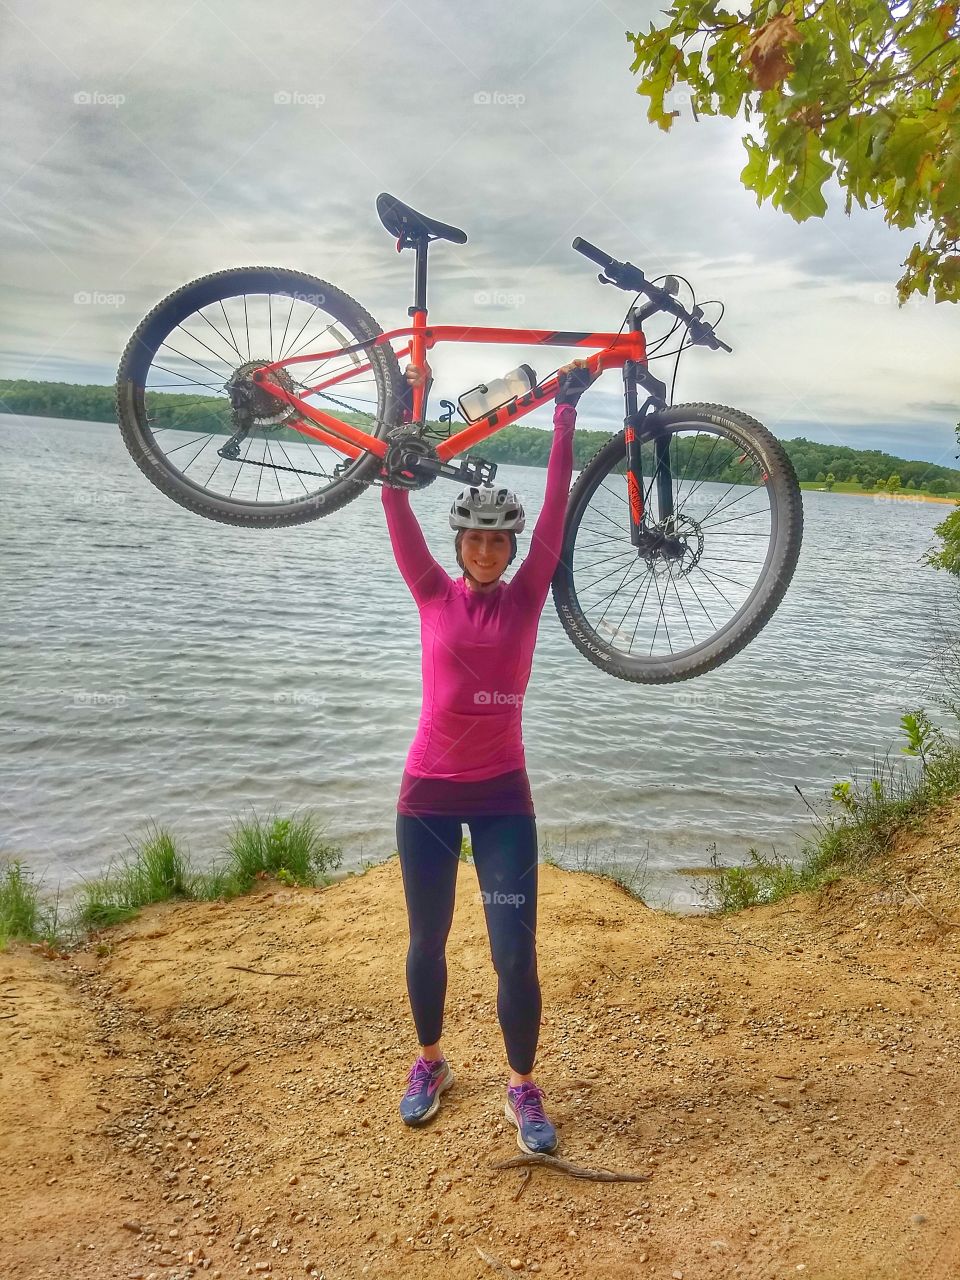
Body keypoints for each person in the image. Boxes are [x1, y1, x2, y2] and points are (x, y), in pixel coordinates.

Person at [380, 357, 596, 1155]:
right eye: (473, 538)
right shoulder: (431, 591)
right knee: (426, 939)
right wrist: (407, 399)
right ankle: (430, 1063)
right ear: (460, 542)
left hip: (505, 799)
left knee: (513, 950)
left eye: (495, 541)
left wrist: (565, 414)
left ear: (507, 550)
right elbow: (394, 494)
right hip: (427, 800)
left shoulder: (530, 590)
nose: (484, 550)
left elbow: (556, 513)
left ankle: (522, 1085)